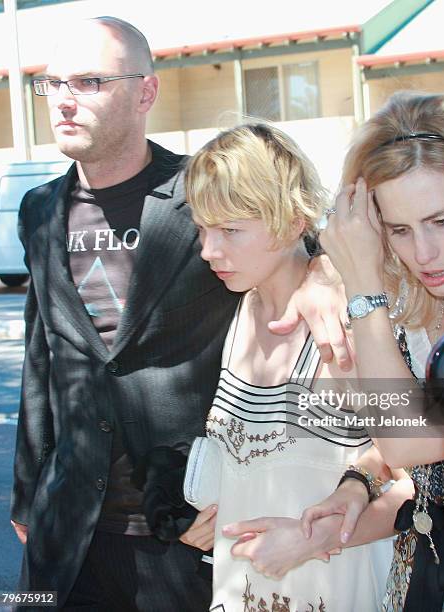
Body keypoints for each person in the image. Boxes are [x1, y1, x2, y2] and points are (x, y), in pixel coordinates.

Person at [10, 17, 350, 611]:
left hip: (186, 528)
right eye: (53, 83)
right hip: (68, 528)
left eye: (89, 82)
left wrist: (322, 271)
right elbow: (44, 355)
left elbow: (287, 228)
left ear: (145, 92)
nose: (63, 100)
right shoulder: (38, 210)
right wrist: (26, 495)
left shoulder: (206, 190)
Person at [229, 92, 444, 611]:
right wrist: (358, 483)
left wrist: (361, 285)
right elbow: (410, 458)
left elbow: (411, 441)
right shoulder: (412, 312)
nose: (424, 253)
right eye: (399, 229)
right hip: (422, 584)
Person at [182, 122, 397, 611]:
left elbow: (415, 479)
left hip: (338, 588)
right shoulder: (229, 312)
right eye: (202, 228)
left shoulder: (343, 323)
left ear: (291, 219)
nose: (207, 250)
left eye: (230, 230)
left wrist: (315, 538)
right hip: (240, 588)